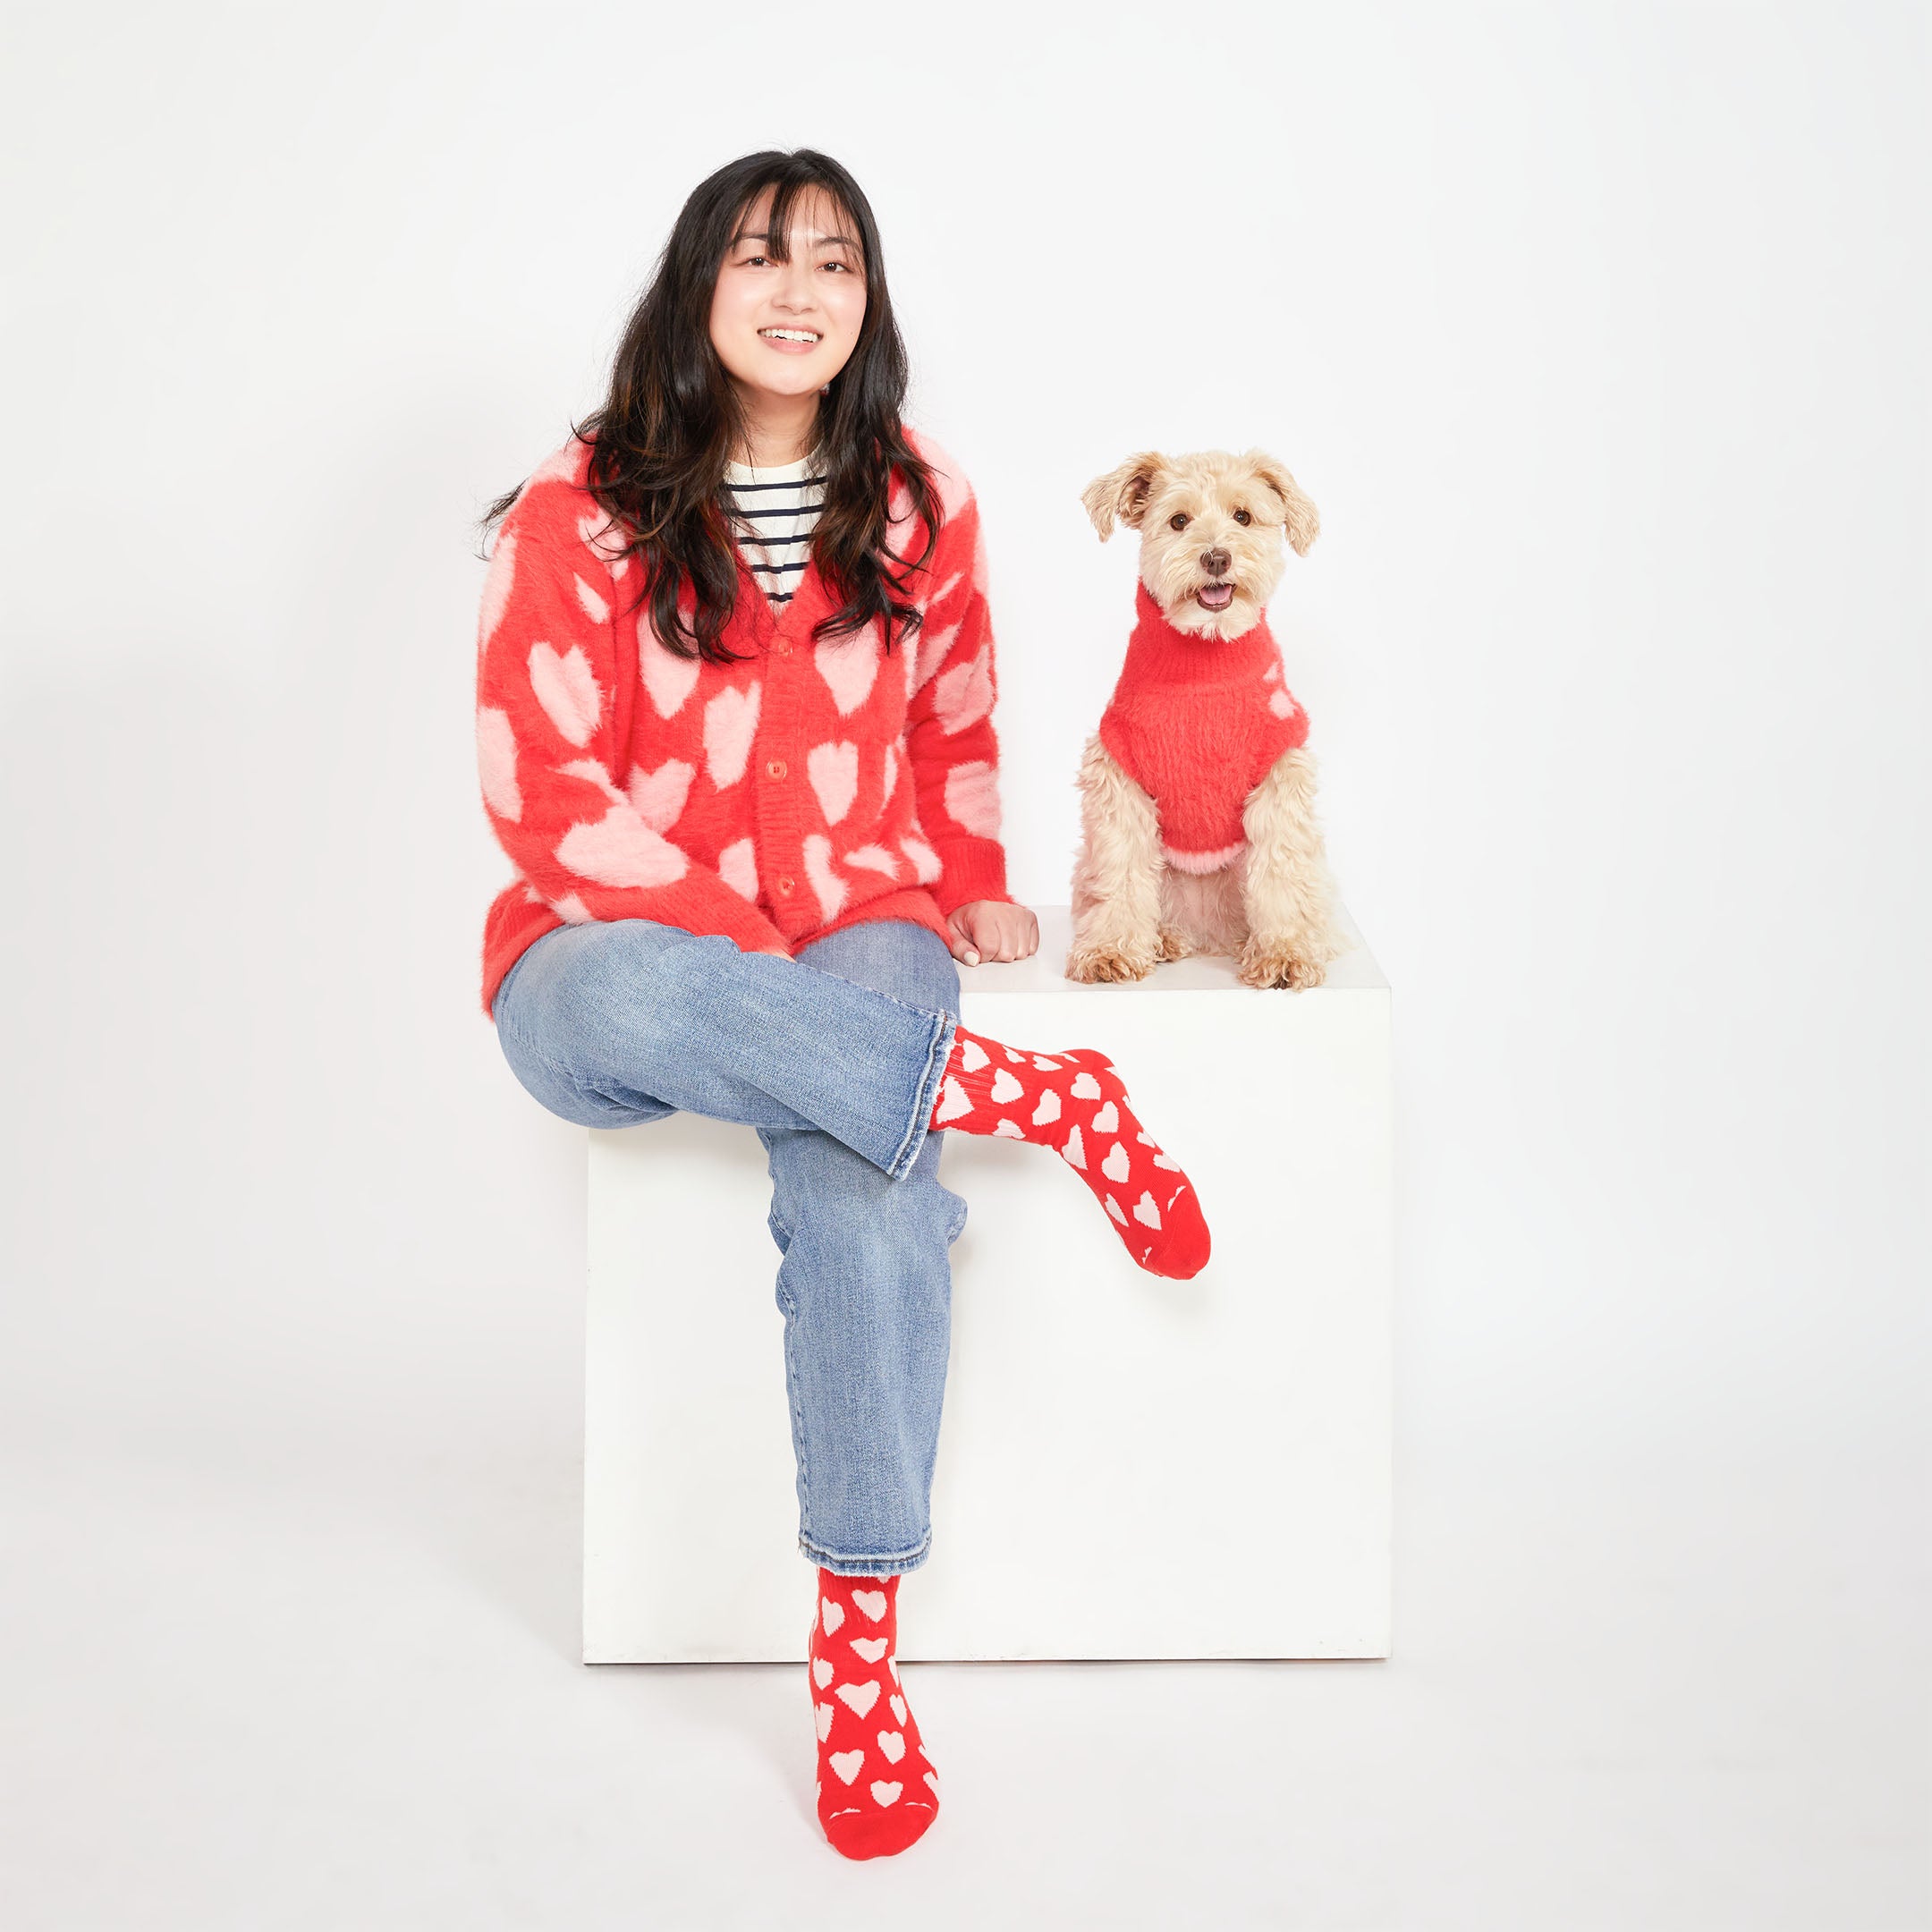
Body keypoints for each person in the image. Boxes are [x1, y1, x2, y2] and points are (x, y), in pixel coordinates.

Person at [473, 148, 1210, 1861]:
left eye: (836, 263)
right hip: (611, 948)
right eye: (759, 257)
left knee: (868, 1195)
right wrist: (737, 939)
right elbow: (546, 794)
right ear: (698, 285)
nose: (799, 291)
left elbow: (955, 716)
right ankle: (1030, 1095)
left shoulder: (921, 501)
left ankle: (858, 1655)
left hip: (867, 917)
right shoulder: (578, 505)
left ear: (867, 303)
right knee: (611, 1005)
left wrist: (964, 877)